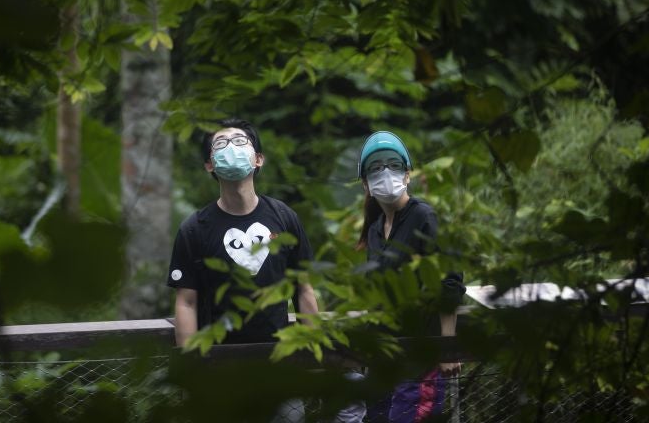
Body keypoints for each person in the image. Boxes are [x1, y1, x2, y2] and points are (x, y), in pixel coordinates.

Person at [167, 118, 320, 348]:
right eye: (220, 143)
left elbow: (303, 289)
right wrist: (191, 366)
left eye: (240, 141)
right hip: (219, 362)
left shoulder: (284, 217)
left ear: (258, 159)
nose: (231, 147)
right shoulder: (194, 228)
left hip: (279, 357)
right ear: (209, 164)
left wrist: (314, 353)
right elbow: (186, 303)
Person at [348, 131, 466, 423]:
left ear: (407, 175)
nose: (385, 173)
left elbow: (449, 282)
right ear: (366, 183)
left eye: (393, 165)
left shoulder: (424, 217)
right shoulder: (376, 230)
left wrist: (447, 348)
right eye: (375, 168)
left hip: (419, 360)